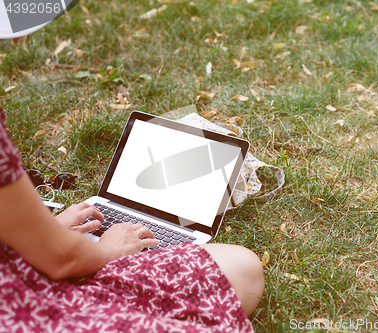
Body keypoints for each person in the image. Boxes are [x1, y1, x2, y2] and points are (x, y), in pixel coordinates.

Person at [0, 106, 264, 332]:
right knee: (241, 267)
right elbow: (60, 259)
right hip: (26, 304)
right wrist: (106, 249)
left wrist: (45, 228)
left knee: (241, 266)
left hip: (18, 268)